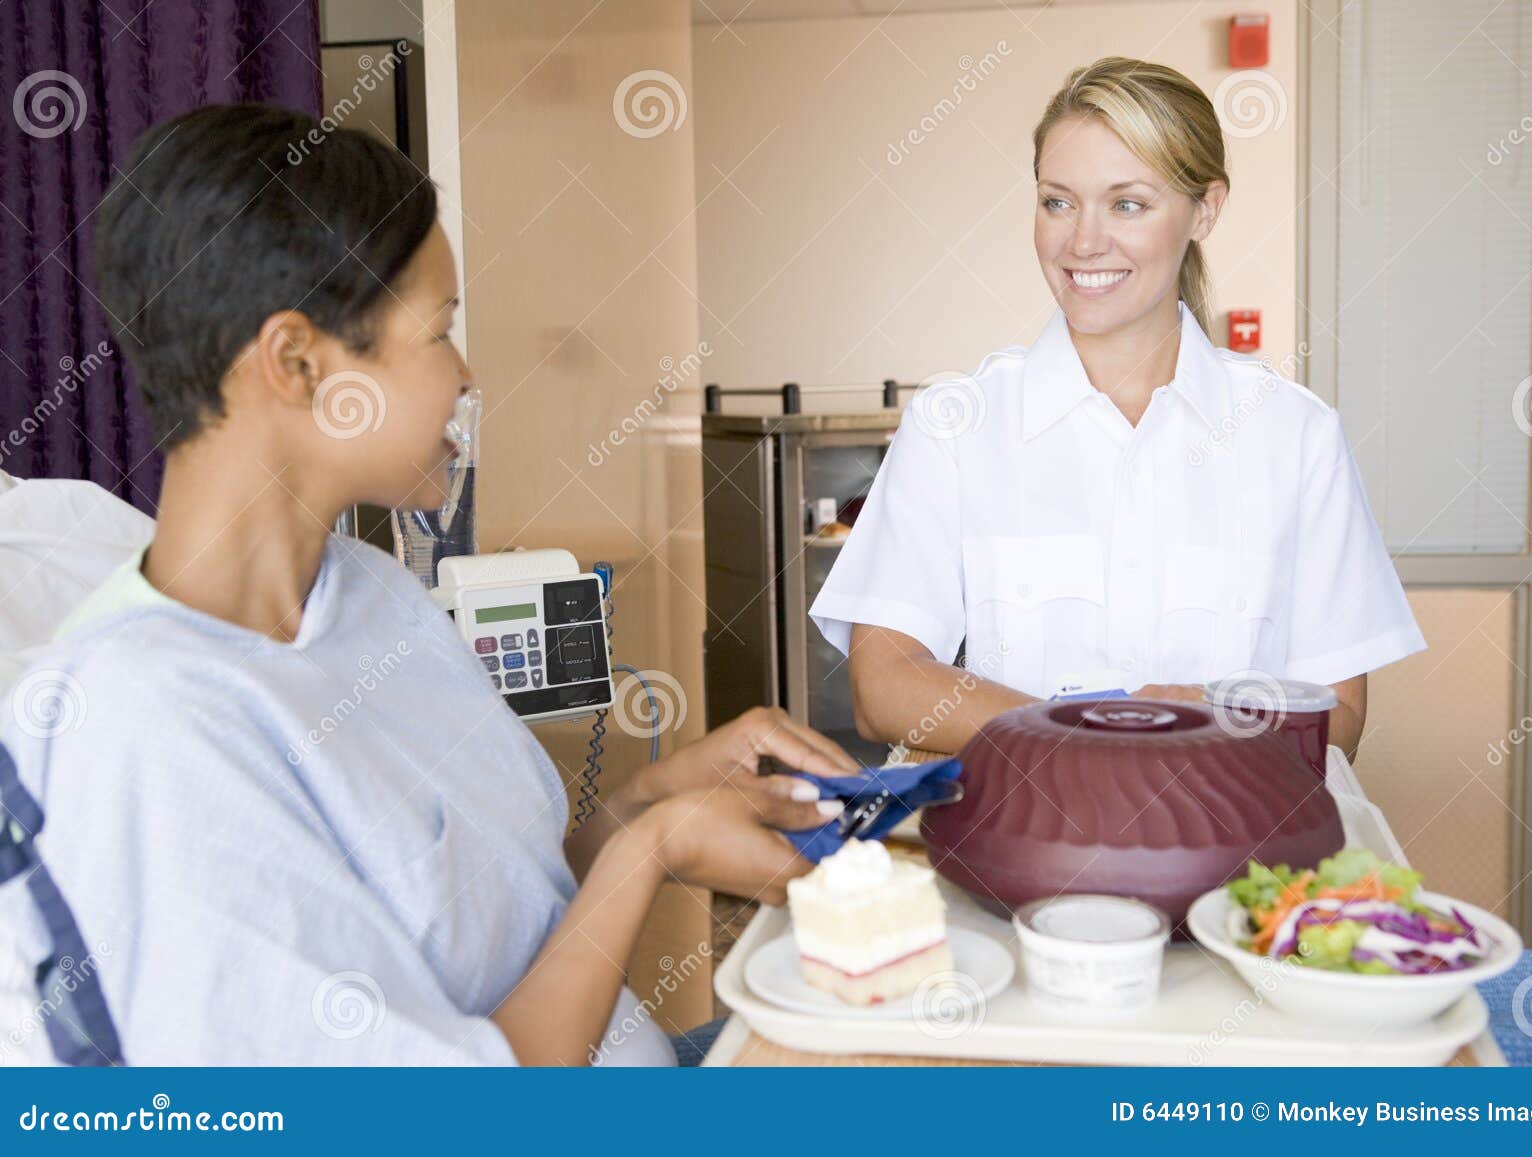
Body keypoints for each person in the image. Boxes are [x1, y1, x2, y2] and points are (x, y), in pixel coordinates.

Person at [0, 103, 854, 1066]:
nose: (465, 372)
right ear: (296, 360)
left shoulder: (373, 592)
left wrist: (651, 800)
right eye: (440, 331)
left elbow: (507, 924)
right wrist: (647, 857)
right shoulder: (143, 727)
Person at [810, 57, 1424, 760]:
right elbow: (883, 685)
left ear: (1206, 208)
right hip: (1011, 851)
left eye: (1126, 203)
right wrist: (1097, 738)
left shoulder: (1295, 435)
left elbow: (1339, 713)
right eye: (1057, 201)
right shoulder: (956, 424)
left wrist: (1202, 713)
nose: (1082, 241)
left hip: (1233, 850)